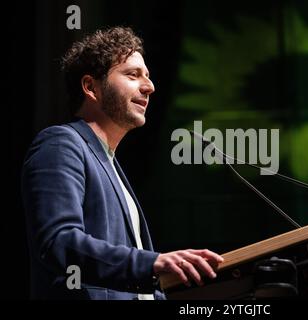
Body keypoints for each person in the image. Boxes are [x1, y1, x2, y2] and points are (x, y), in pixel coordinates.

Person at [21, 26, 224, 300]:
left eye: (148, 77)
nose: (149, 87)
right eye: (132, 75)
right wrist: (150, 264)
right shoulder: (61, 144)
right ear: (91, 87)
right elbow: (59, 243)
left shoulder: (111, 164)